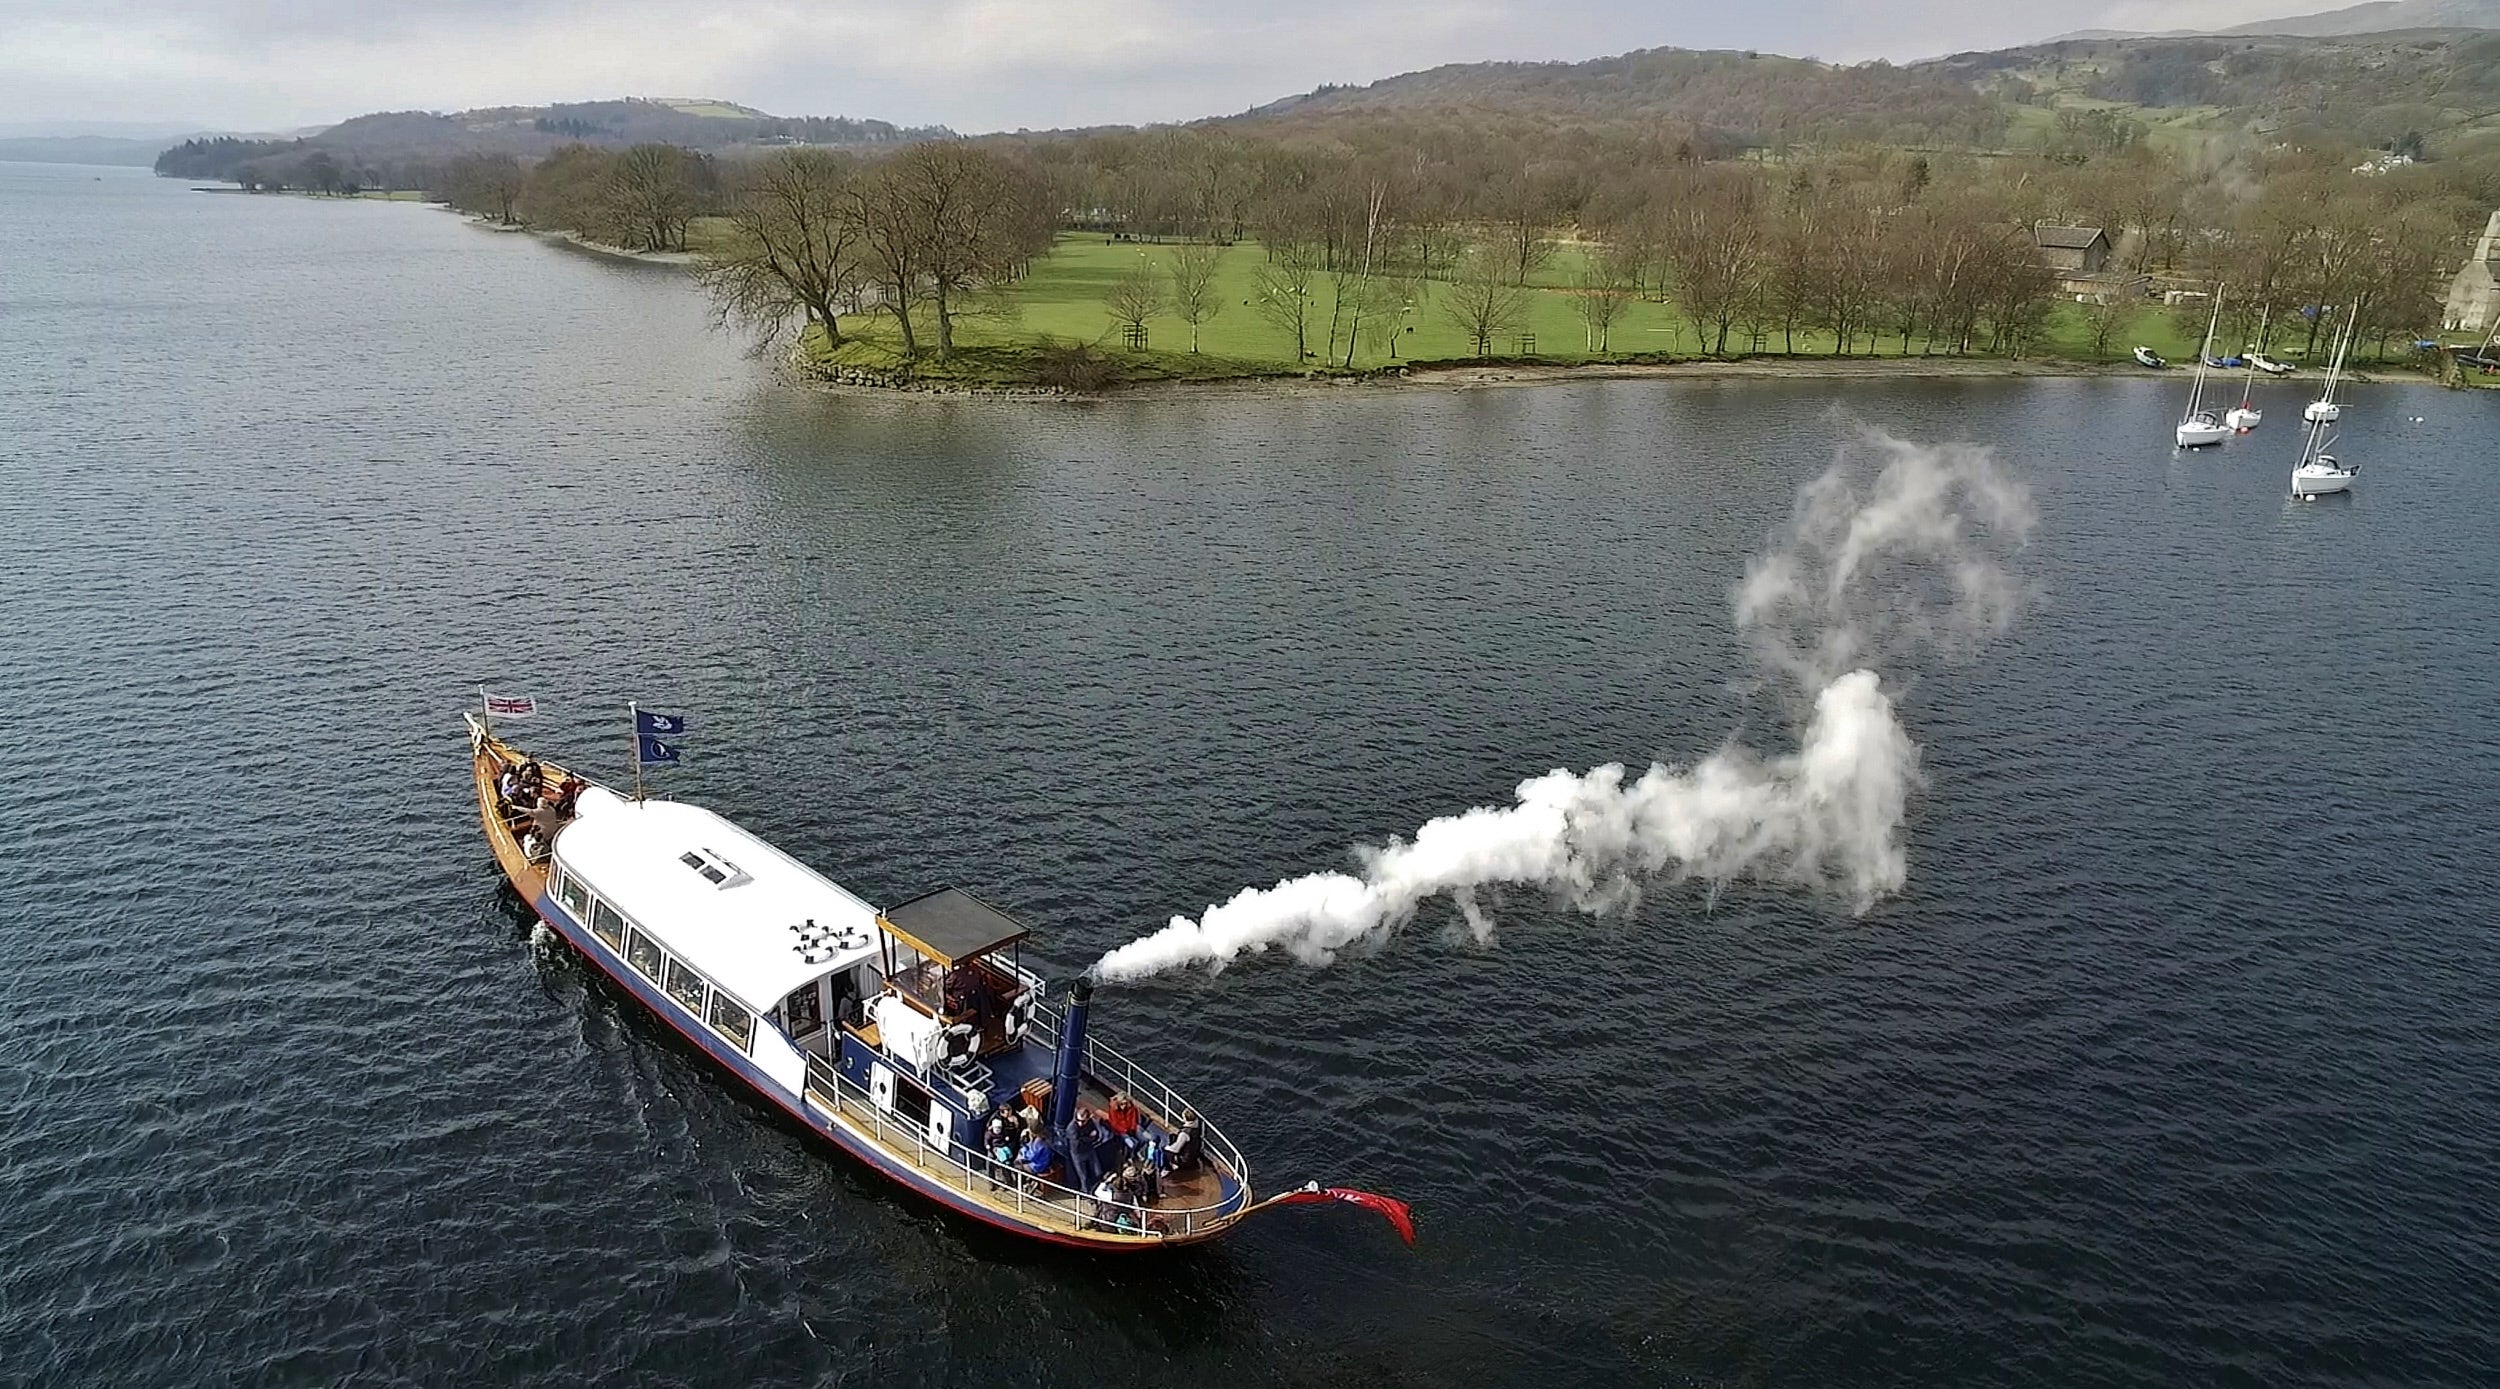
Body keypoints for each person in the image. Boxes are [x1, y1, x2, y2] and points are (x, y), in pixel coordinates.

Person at [1066, 1104, 1108, 1193]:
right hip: (1078, 1155)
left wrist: (1086, 1138)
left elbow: (1096, 1135)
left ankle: (1097, 1190)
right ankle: (1086, 1194)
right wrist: (1089, 1138)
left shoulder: (1090, 1123)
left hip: (1089, 1150)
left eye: (1083, 1121)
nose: (1080, 1123)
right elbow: (1077, 1144)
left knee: (1098, 1171)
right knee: (1083, 1177)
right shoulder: (1071, 1128)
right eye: (1078, 1120)